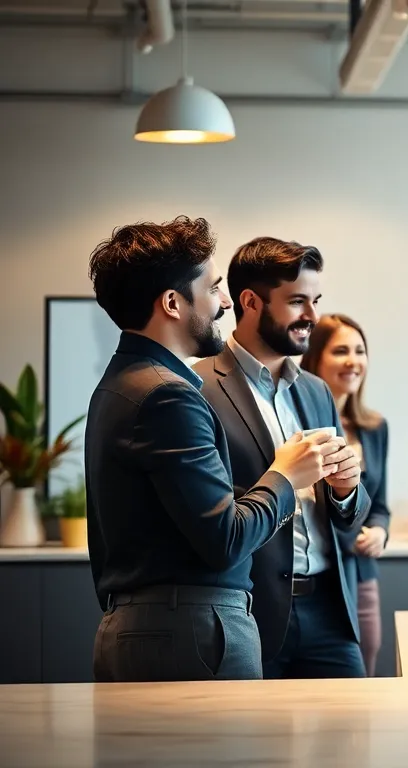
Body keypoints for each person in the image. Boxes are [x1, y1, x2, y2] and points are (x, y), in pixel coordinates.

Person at [84, 216, 333, 682]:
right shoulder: (168, 394)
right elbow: (225, 540)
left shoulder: (120, 382)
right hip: (192, 633)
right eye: (214, 287)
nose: (224, 302)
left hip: (151, 627)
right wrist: (286, 476)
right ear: (173, 303)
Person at [194, 237, 371, 679]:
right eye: (297, 302)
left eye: (315, 301)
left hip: (332, 610)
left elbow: (348, 518)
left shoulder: (315, 390)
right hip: (250, 614)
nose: (313, 316)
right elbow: (213, 519)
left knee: (352, 745)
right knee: (256, 749)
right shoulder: (197, 388)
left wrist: (348, 491)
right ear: (250, 301)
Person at [300, 313, 391, 676]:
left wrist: (380, 531)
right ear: (315, 357)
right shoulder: (294, 423)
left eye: (359, 350)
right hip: (317, 573)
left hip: (361, 572)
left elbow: (379, 503)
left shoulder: (374, 427)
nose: (354, 361)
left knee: (364, 666)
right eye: (340, 351)